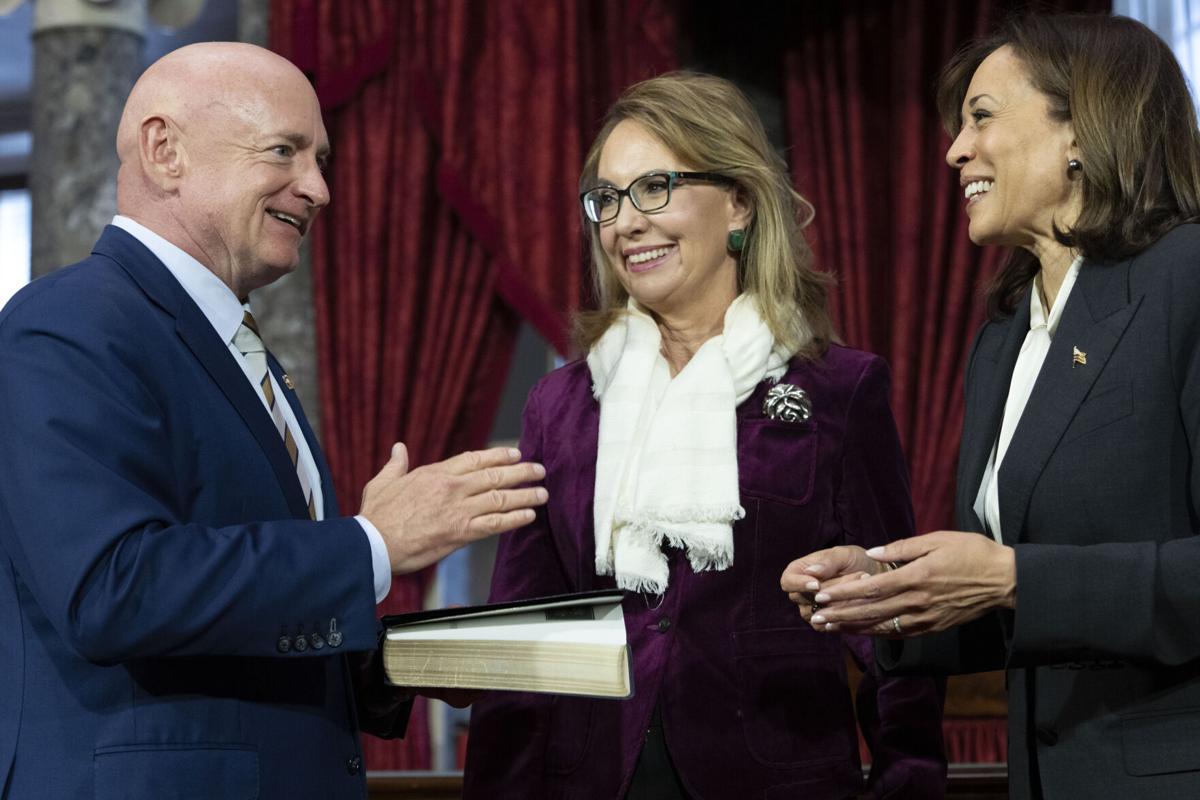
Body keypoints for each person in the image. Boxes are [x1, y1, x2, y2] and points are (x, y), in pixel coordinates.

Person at [0, 42, 547, 799]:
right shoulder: (68, 323)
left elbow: (237, 629)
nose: (319, 188)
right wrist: (371, 544)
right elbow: (113, 590)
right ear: (165, 151)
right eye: (283, 151)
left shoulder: (238, 346)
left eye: (320, 159)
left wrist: (397, 665)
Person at [464, 72, 945, 799]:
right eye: (607, 198)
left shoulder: (840, 390)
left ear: (739, 202)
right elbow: (522, 639)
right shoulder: (558, 407)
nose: (626, 222)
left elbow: (891, 628)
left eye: (655, 187)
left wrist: (909, 784)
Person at [782, 13, 1200, 799]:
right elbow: (1015, 598)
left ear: (1081, 129)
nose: (955, 150)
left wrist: (1013, 579)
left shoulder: (1187, 278)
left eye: (981, 117)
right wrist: (888, 593)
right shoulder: (1003, 339)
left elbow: (1024, 581)